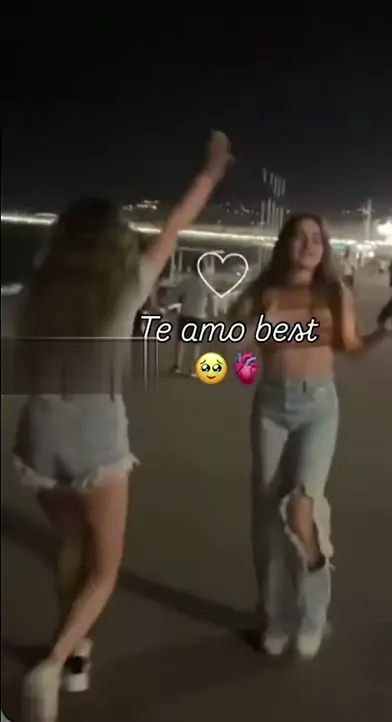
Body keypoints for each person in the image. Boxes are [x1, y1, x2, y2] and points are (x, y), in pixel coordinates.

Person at [14, 131, 233, 722]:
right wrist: (210, 172)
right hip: (97, 439)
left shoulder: (33, 296)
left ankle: (76, 653)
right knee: (106, 569)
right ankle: (52, 664)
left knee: (69, 548)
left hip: (38, 435)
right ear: (113, 243)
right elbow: (175, 227)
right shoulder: (128, 286)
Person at [228, 214, 392, 660]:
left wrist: (384, 330)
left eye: (316, 239)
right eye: (299, 237)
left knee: (301, 509)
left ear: (323, 247)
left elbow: (350, 347)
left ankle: (313, 617)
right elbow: (234, 333)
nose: (309, 245)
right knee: (266, 517)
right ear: (285, 244)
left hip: (318, 407)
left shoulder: (334, 292)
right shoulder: (264, 290)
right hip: (271, 405)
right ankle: (273, 618)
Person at [165, 256, 213, 376]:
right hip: (200, 315)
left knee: (181, 340)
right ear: (204, 269)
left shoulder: (186, 281)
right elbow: (212, 299)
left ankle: (177, 366)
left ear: (192, 267)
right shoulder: (207, 283)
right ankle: (193, 369)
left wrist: (169, 306)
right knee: (196, 343)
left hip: (186, 313)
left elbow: (174, 295)